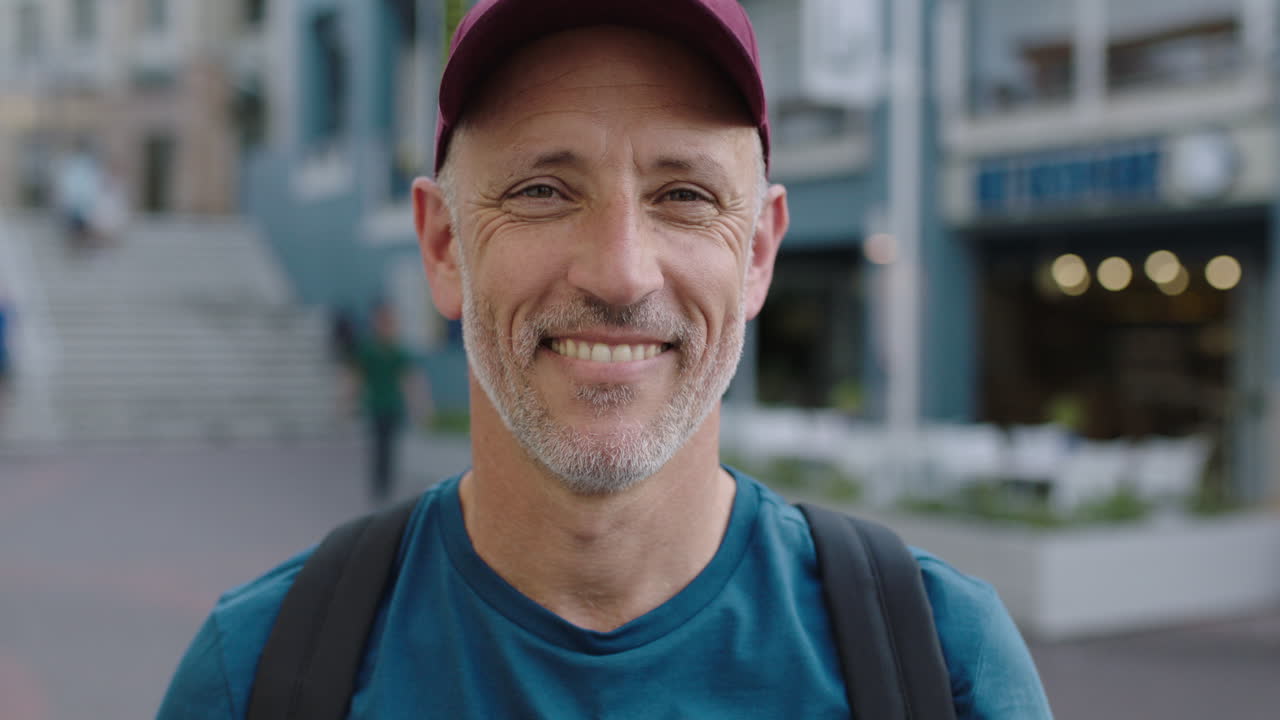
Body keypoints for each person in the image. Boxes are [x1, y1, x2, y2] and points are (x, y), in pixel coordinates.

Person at [158, 1, 1054, 717]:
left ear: (756, 255)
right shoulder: (261, 674)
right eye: (543, 190)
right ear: (442, 246)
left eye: (685, 195)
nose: (621, 273)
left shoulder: (943, 664)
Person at [346, 302, 428, 503]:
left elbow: (408, 380)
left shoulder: (397, 351)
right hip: (375, 405)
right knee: (378, 446)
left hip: (393, 406)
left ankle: (387, 485)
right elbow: (357, 376)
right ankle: (378, 485)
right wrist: (348, 400)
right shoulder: (368, 350)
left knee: (389, 447)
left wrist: (418, 406)